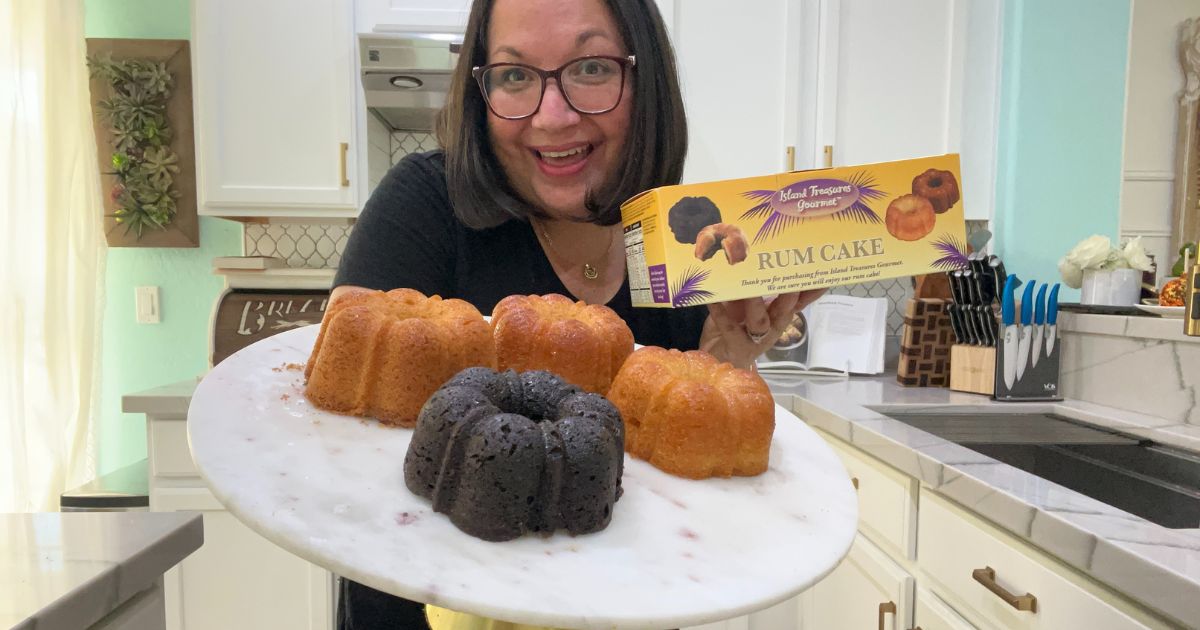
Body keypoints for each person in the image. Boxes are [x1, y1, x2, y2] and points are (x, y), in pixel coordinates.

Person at [333, 0, 824, 628]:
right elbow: (341, 460)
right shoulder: (425, 206)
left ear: (644, 83)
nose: (552, 115)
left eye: (590, 68)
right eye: (514, 76)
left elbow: (667, 504)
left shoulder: (679, 239)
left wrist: (727, 354)